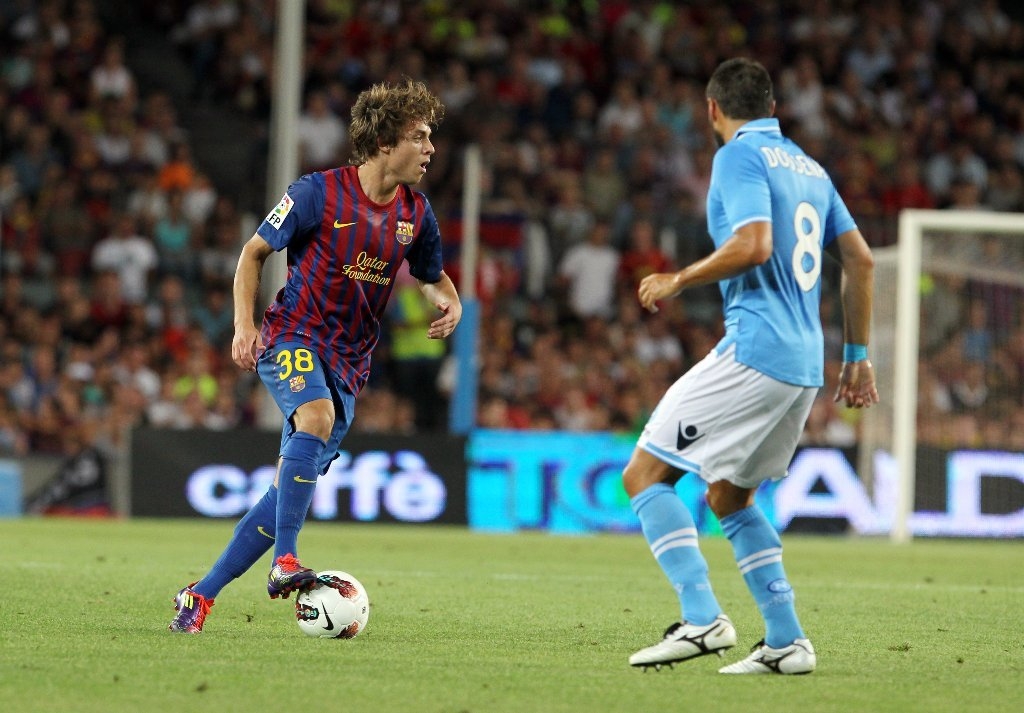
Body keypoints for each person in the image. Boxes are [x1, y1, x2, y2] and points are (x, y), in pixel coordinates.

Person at [169, 79, 461, 633]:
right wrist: (244, 325)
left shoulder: (416, 213)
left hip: (349, 363)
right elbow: (253, 253)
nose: (430, 149)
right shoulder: (316, 193)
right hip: (293, 336)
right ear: (385, 142)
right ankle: (285, 560)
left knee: (285, 493)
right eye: (419, 137)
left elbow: (431, 275)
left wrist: (450, 300)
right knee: (316, 417)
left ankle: (199, 595)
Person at [624, 58, 877, 674]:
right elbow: (862, 261)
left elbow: (754, 244)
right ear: (773, 109)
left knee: (645, 473)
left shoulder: (737, 155)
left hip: (757, 349)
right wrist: (858, 356)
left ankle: (702, 618)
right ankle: (787, 641)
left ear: (713, 109)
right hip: (805, 365)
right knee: (730, 497)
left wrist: (679, 279)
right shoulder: (811, 168)